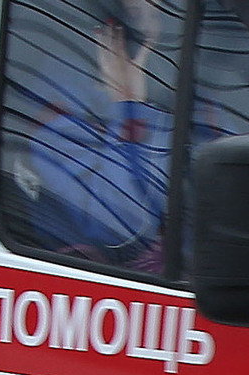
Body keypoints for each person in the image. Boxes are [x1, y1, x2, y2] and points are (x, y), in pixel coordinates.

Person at [24, 0, 172, 272]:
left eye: (159, 10)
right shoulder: (62, 101)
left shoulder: (191, 92)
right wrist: (128, 106)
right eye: (136, 12)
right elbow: (121, 228)